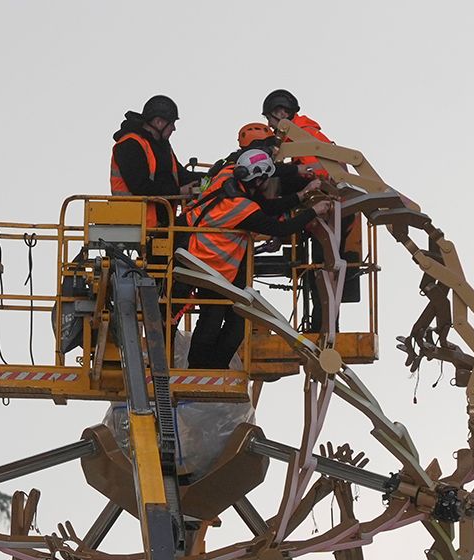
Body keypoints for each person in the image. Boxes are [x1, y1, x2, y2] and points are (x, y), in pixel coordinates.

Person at [183, 148, 331, 369]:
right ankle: (202, 368)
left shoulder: (227, 175)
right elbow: (278, 227)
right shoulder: (241, 208)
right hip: (209, 262)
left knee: (231, 319)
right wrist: (313, 211)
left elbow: (265, 206)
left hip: (206, 260)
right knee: (213, 319)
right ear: (257, 179)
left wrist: (302, 194)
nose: (265, 185)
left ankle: (214, 367)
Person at [262, 89, 357, 332]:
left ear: (281, 114)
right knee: (320, 271)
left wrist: (271, 222)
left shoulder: (301, 137)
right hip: (332, 210)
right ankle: (323, 328)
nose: (270, 127)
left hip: (330, 210)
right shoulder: (306, 135)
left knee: (322, 271)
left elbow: (310, 176)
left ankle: (323, 330)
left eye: (271, 121)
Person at [110, 94, 197, 226]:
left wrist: (215, 176)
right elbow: (141, 187)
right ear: (159, 122)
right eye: (172, 123)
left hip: (161, 223)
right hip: (136, 222)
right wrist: (178, 191)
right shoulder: (130, 145)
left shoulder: (162, 145)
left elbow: (181, 176)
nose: (174, 128)